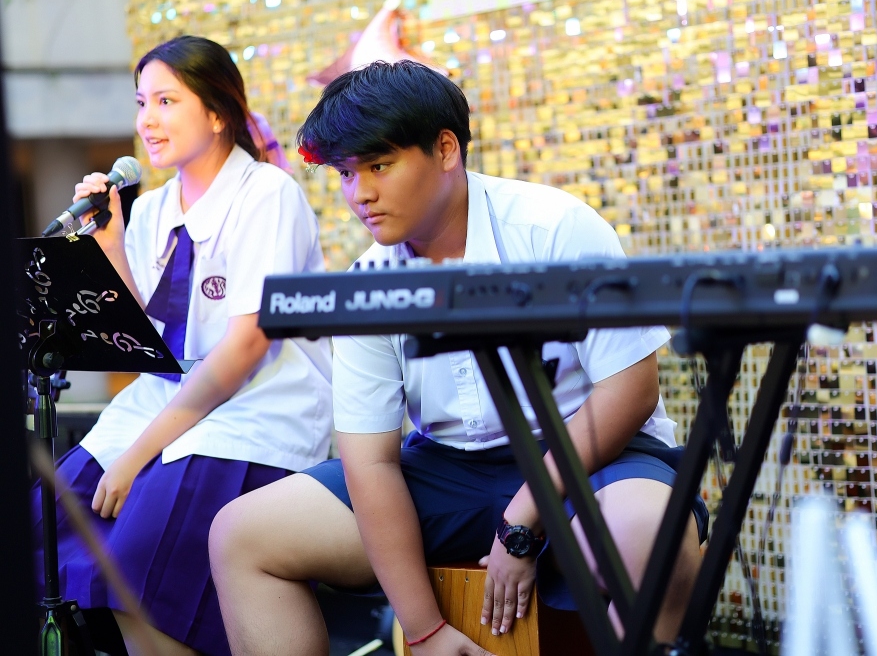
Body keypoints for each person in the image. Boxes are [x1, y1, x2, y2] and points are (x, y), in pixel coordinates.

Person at [210, 60, 708, 656]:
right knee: (242, 535)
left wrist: (522, 522)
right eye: (345, 173)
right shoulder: (369, 278)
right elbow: (370, 463)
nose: (359, 194)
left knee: (650, 538)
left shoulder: (555, 228)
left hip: (591, 455)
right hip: (449, 470)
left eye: (379, 166)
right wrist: (423, 631)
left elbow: (631, 391)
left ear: (446, 149)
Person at [30, 35, 333, 656]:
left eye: (166, 101)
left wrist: (139, 454)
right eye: (141, 102)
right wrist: (110, 245)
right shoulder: (153, 208)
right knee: (46, 525)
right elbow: (140, 334)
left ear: (218, 113)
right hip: (158, 407)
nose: (148, 120)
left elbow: (244, 347)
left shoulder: (267, 194)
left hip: (247, 414)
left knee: (142, 556)